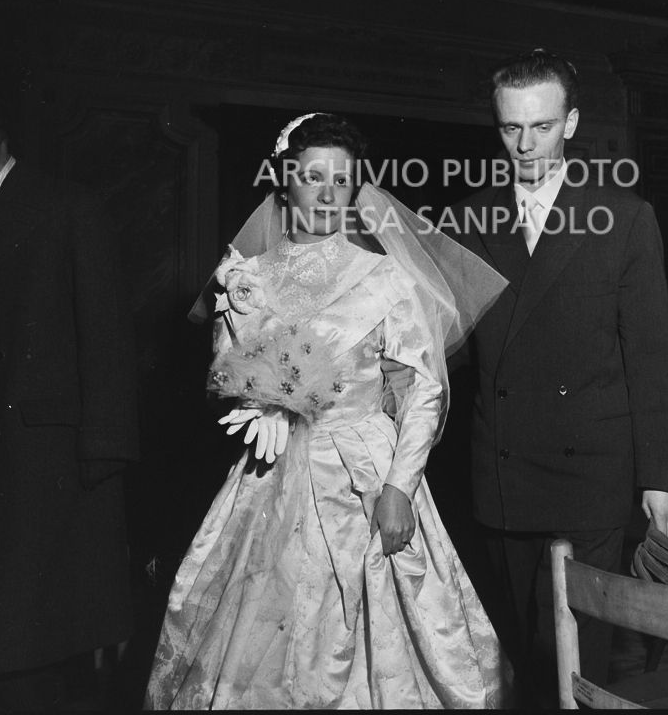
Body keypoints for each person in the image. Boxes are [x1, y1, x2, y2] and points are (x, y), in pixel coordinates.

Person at [144, 112, 510, 709]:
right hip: (271, 470)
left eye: (340, 181)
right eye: (312, 176)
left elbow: (423, 390)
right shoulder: (247, 277)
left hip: (365, 477)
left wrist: (400, 485)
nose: (326, 193)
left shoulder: (384, 276)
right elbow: (224, 379)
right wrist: (260, 397)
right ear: (285, 178)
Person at [450, 49, 668, 707]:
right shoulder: (467, 219)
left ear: (571, 123)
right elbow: (452, 346)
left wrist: (660, 477)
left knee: (580, 658)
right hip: (500, 467)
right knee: (517, 659)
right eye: (510, 129)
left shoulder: (624, 217)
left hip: (590, 474)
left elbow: (651, 355)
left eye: (541, 127)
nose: (525, 145)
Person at [0, 79, 139, 710]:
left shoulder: (67, 208)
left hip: (38, 468)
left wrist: (101, 469)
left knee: (32, 661)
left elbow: (107, 344)